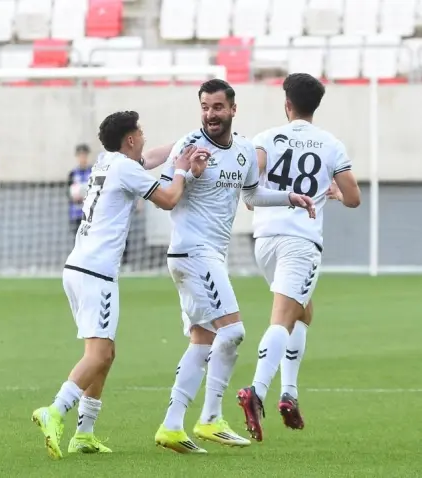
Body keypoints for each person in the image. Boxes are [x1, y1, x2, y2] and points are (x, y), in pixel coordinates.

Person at [31, 110, 209, 460]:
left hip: (78, 267)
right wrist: (186, 171)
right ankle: (54, 411)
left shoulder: (106, 162)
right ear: (130, 138)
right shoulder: (126, 169)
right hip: (97, 272)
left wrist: (188, 142)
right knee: (99, 354)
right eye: (140, 131)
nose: (143, 136)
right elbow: (170, 198)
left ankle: (84, 433)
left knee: (104, 354)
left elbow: (153, 156)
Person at [152, 79, 317, 454]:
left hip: (210, 255)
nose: (211, 114)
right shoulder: (188, 146)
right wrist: (188, 172)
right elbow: (166, 193)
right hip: (192, 252)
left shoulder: (243, 149)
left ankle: (173, 425)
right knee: (234, 331)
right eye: (205, 107)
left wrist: (289, 196)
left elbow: (252, 195)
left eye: (217, 107)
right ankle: (210, 418)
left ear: (232, 109)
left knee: (203, 339)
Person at [237, 73, 360, 442]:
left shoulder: (264, 138)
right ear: (315, 106)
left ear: (287, 103)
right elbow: (354, 198)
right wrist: (335, 193)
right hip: (300, 242)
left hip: (265, 241)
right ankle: (257, 391)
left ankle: (289, 393)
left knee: (303, 311)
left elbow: (252, 182)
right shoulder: (330, 144)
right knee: (284, 316)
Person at [68, 144, 92, 235]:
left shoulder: (93, 172)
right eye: (80, 155)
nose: (83, 158)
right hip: (76, 215)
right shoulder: (73, 174)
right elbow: (68, 193)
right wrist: (73, 197)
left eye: (84, 155)